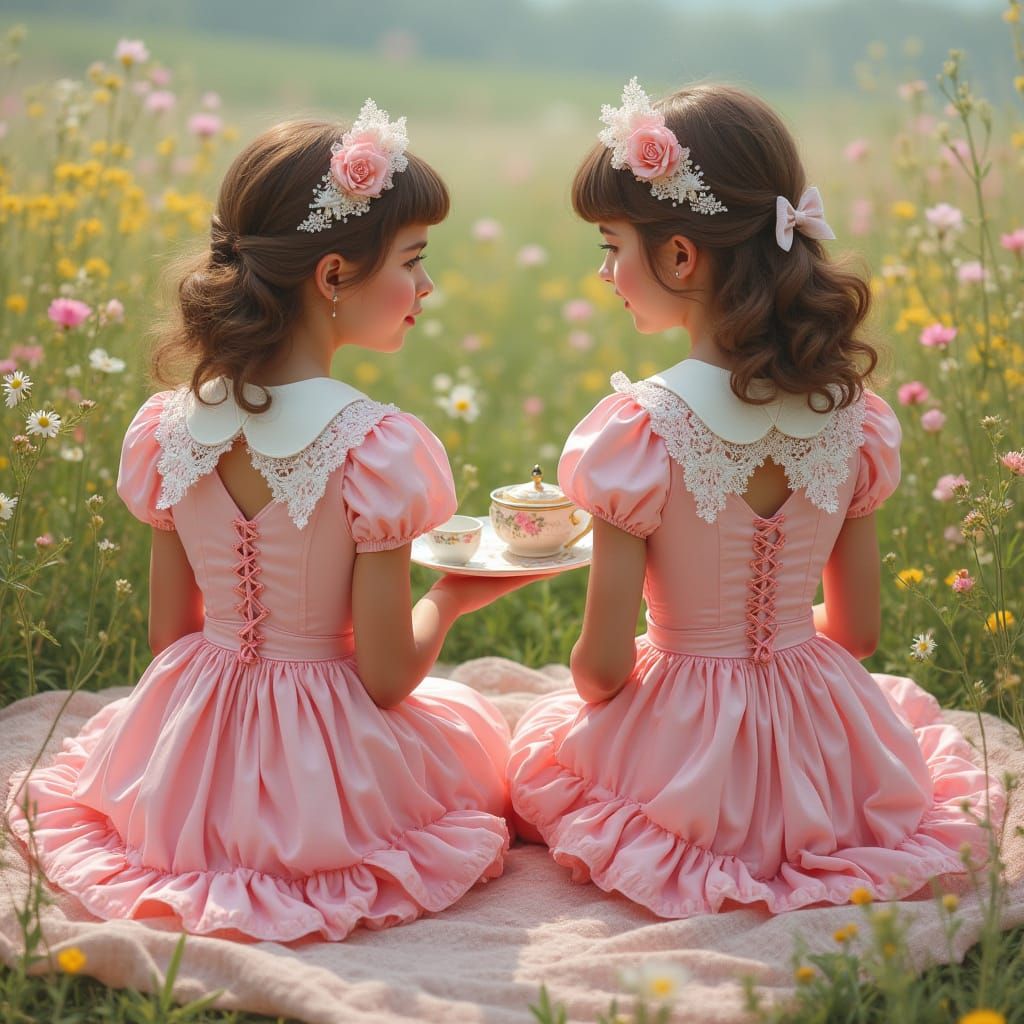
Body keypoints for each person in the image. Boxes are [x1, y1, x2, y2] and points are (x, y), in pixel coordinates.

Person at [7, 102, 533, 942]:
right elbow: (388, 679)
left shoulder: (167, 428)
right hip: (325, 773)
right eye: (413, 261)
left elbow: (167, 638)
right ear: (331, 277)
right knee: (472, 735)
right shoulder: (376, 448)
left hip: (189, 752)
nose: (426, 288)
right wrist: (455, 596)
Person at [507, 79, 1005, 916]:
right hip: (829, 752)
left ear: (679, 256)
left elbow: (598, 672)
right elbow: (855, 632)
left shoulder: (639, 431)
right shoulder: (856, 422)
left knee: (541, 756)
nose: (603, 273)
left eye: (610, 244)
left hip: (686, 772)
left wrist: (698, 652)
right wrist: (767, 644)